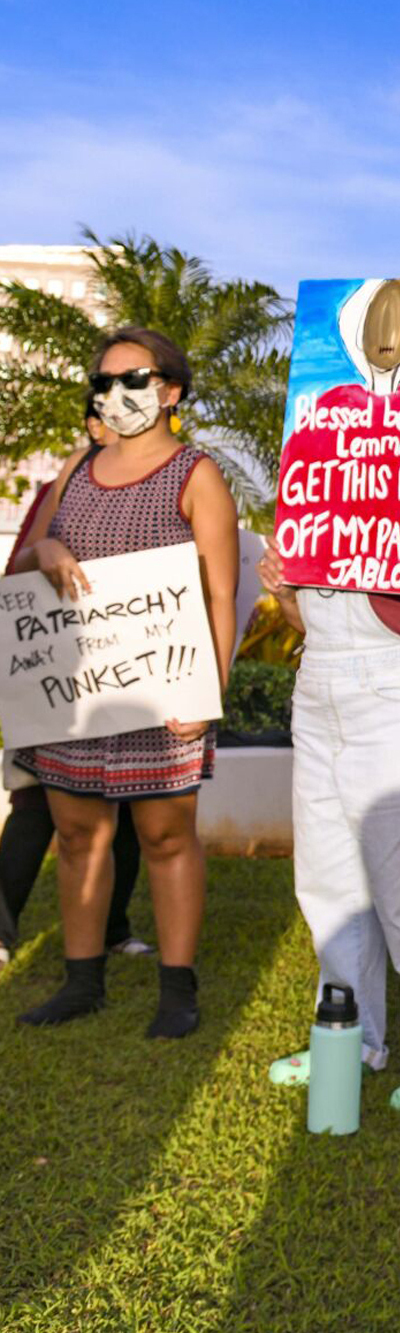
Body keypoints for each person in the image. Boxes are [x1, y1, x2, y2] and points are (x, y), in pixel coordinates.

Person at [12, 328, 239, 1038]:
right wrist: (45, 545)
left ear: (171, 391)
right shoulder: (78, 466)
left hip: (163, 694)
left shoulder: (196, 473)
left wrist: (209, 694)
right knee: (78, 834)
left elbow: (220, 596)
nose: (115, 395)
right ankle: (83, 981)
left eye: (132, 379)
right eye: (103, 382)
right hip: (77, 691)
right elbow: (26, 567)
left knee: (167, 834)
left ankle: (177, 988)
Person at [257, 542, 400, 1113]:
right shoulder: (312, 472)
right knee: (329, 885)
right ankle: (347, 1039)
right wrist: (288, 593)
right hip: (317, 692)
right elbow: (304, 619)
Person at [0, 400, 148, 969]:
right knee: (34, 807)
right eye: (110, 410)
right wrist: (48, 550)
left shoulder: (155, 485)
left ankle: (114, 927)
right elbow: (18, 572)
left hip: (129, 680)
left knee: (131, 810)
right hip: (54, 682)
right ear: (91, 425)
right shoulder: (62, 487)